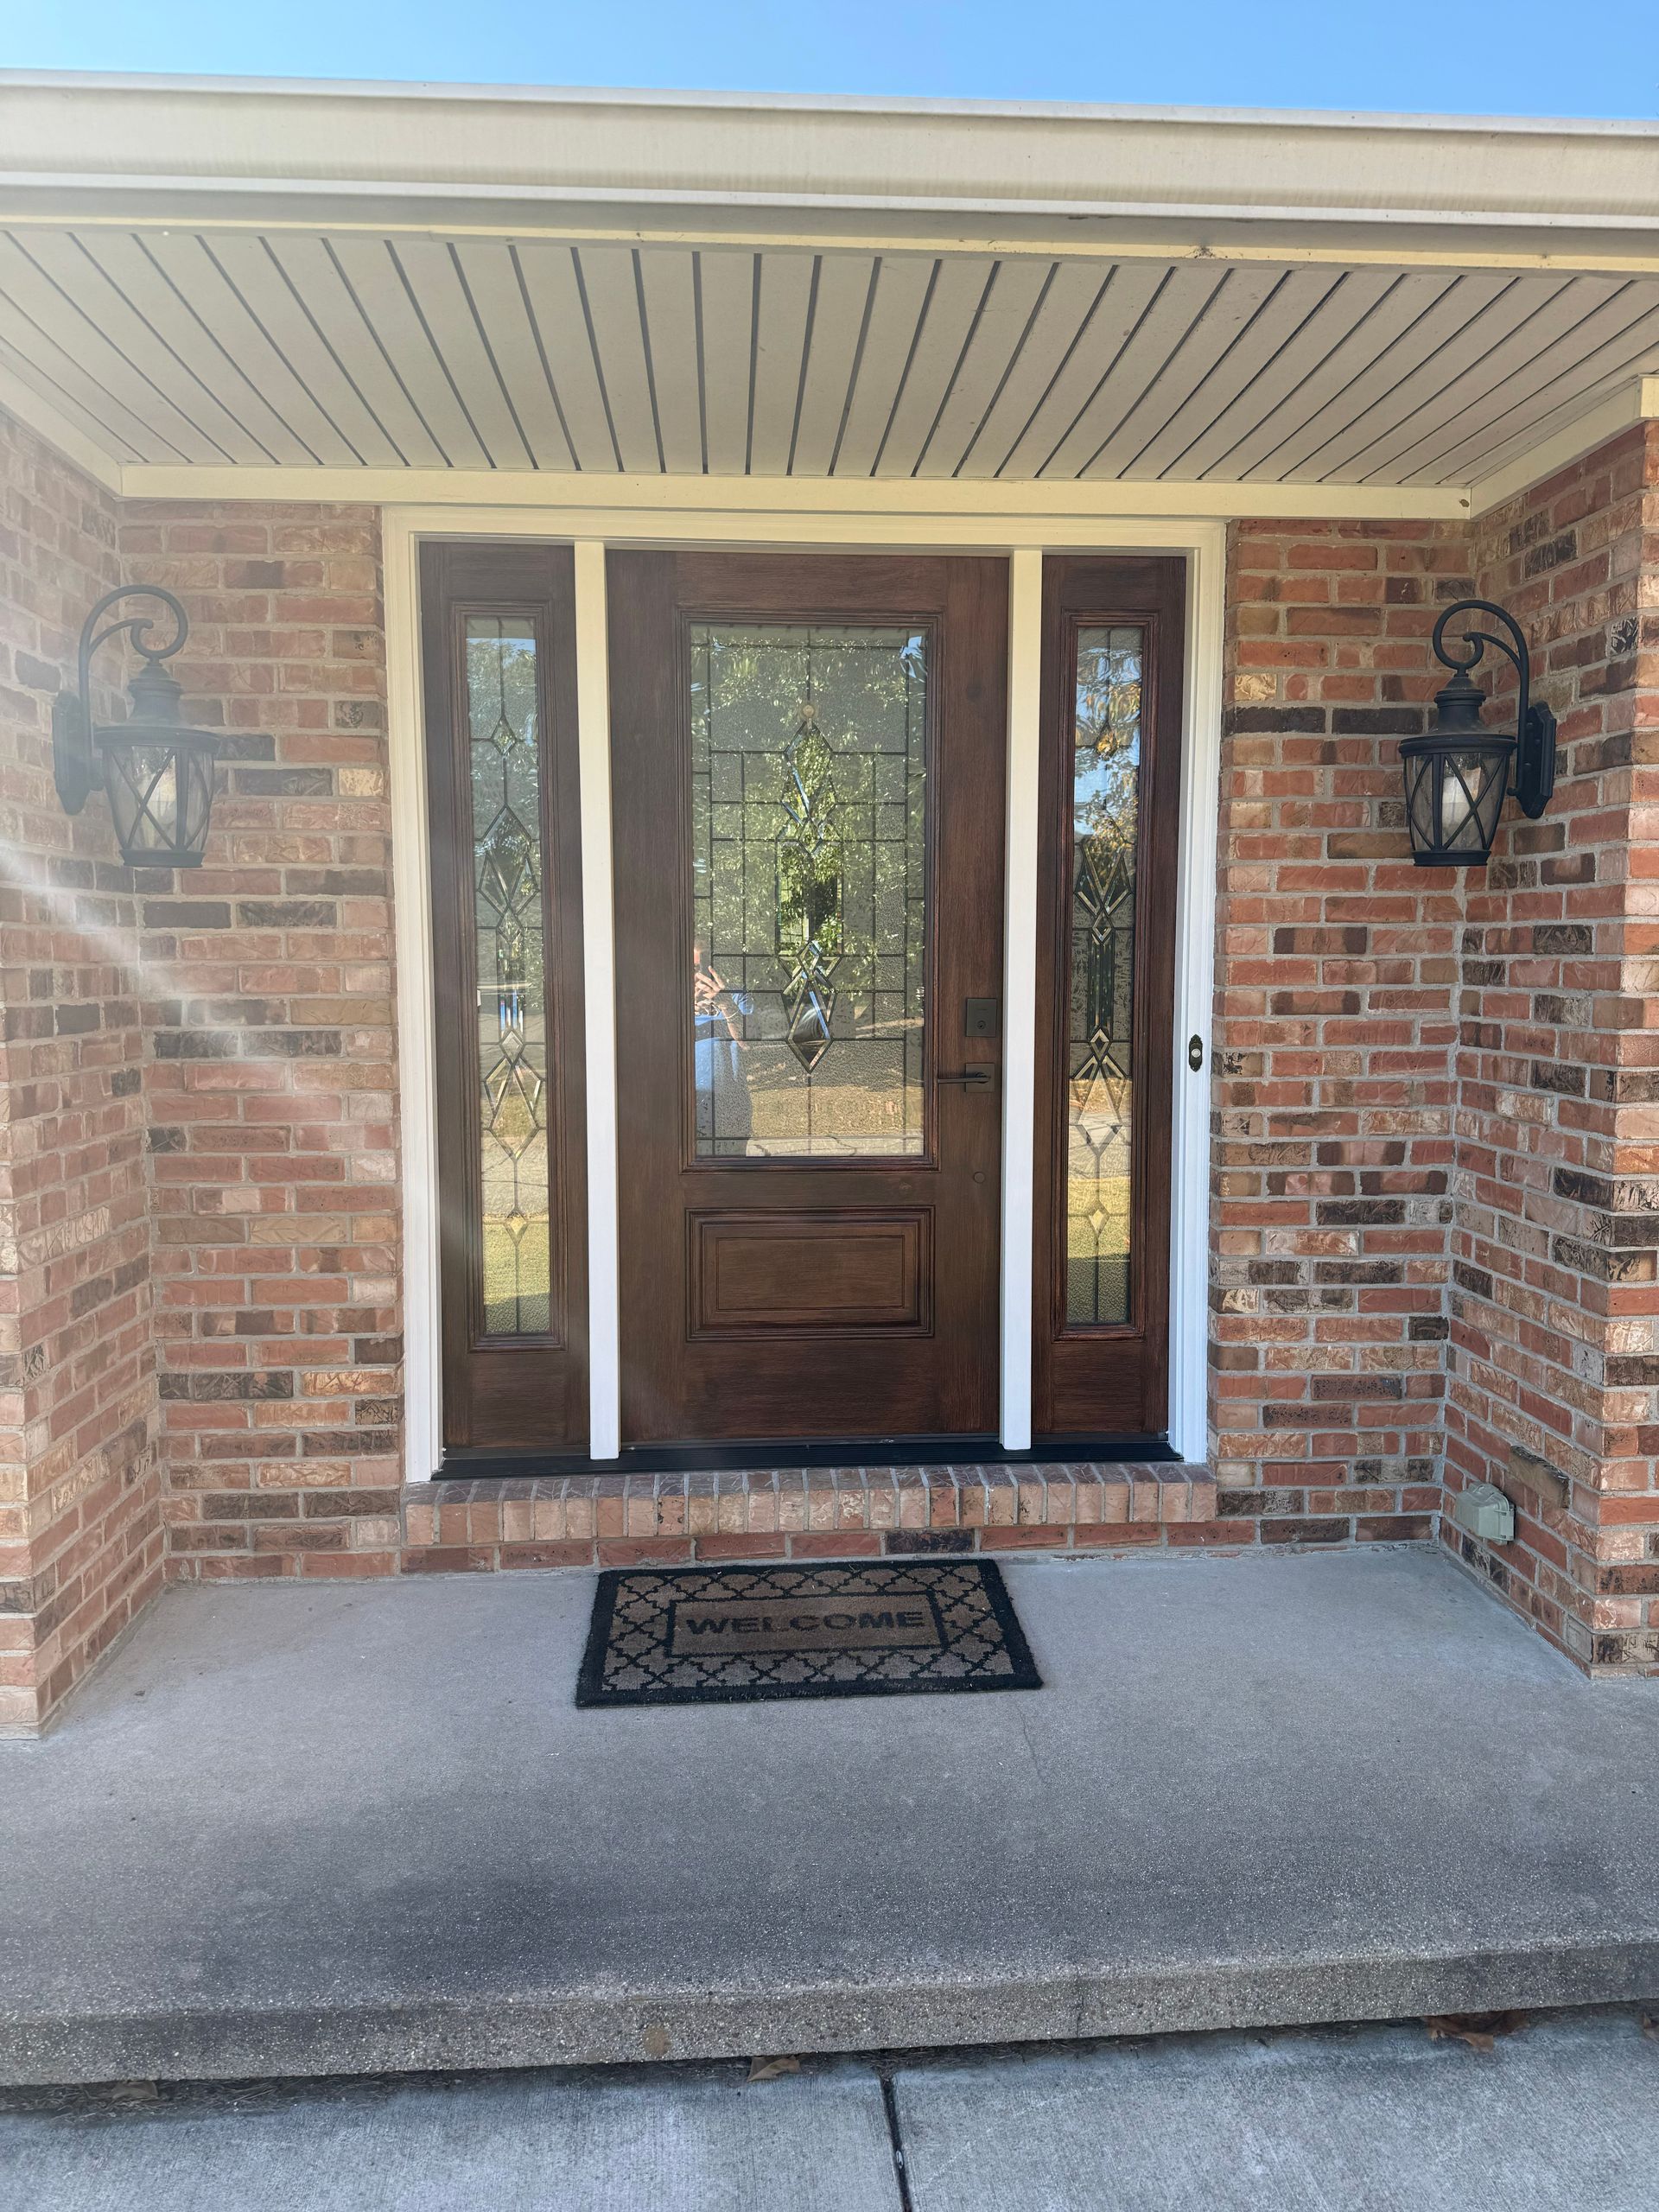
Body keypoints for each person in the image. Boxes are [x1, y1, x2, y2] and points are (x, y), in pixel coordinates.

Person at [692, 940, 753, 1150]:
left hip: (731, 1106)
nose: (699, 976)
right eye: (692, 969)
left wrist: (726, 1004)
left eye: (704, 967)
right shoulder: (669, 999)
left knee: (734, 1179)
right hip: (684, 1108)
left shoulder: (737, 995)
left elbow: (748, 1043)